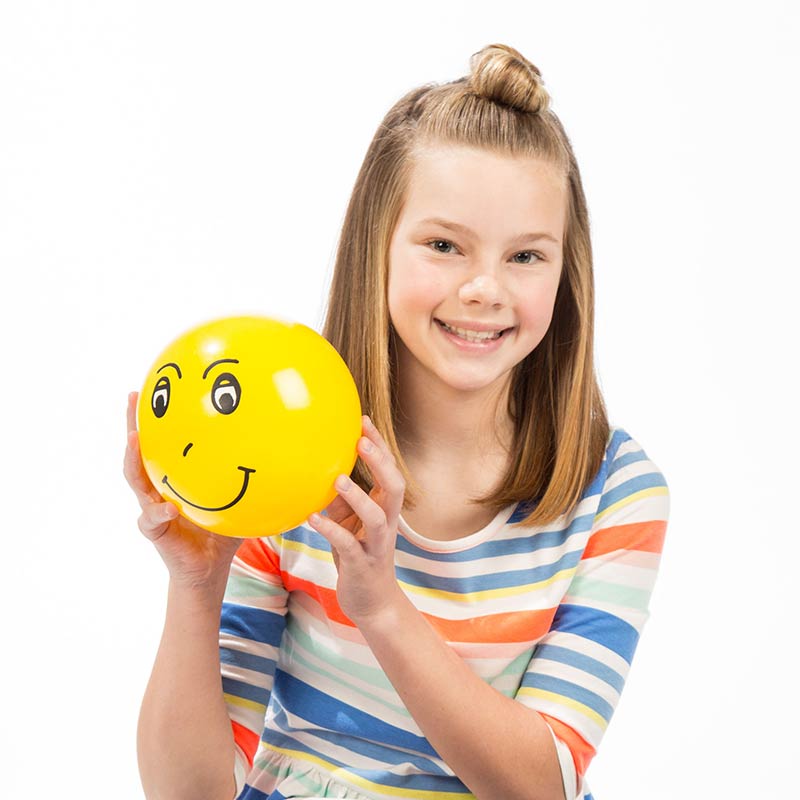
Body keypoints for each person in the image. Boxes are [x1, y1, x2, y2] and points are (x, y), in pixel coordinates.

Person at [124, 43, 670, 800]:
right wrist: (195, 584)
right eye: (443, 245)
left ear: (565, 271)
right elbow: (191, 793)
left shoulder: (616, 493)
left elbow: (542, 786)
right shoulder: (282, 450)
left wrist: (380, 603)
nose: (484, 288)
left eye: (526, 256)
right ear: (375, 248)